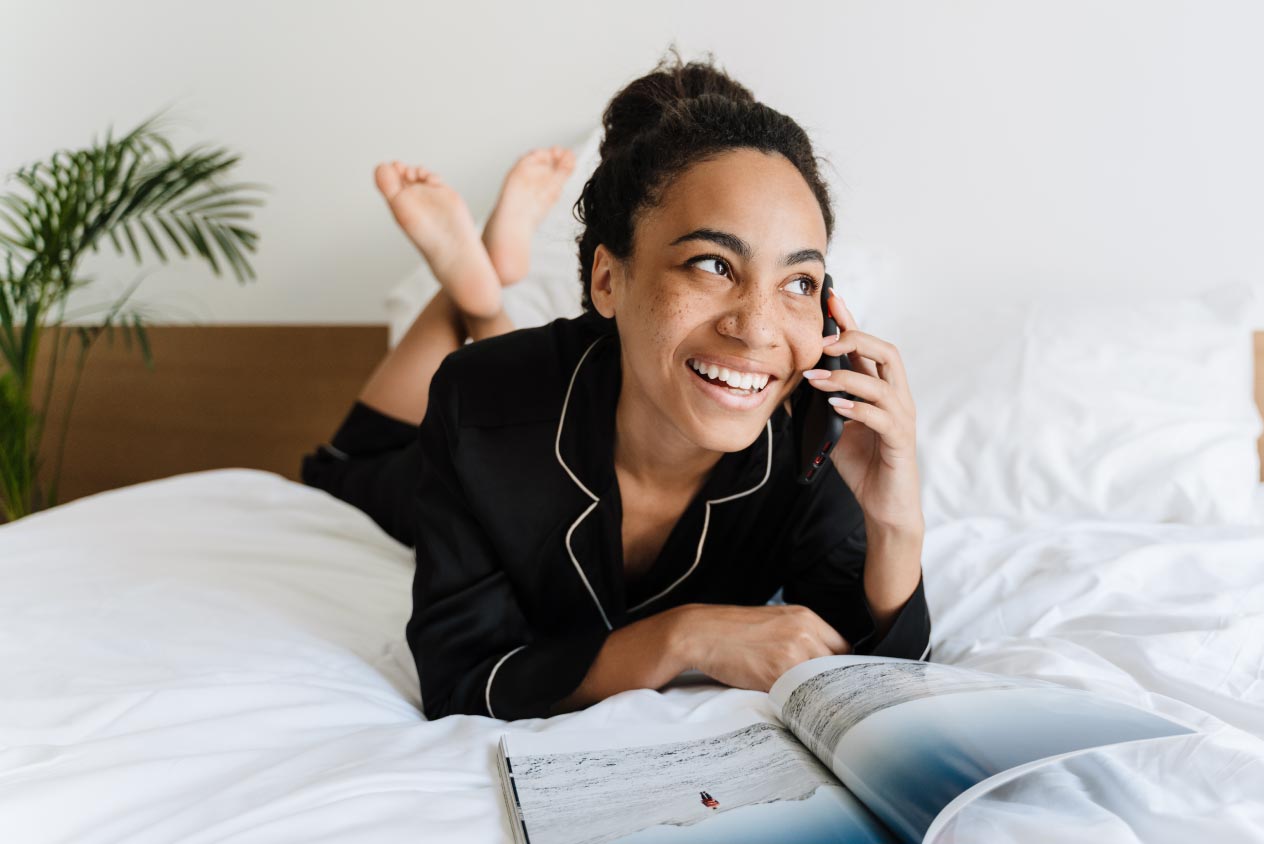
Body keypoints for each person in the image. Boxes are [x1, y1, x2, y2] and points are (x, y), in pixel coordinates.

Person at [300, 49, 930, 722]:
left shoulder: (818, 427)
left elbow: (869, 668)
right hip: (476, 433)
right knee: (342, 472)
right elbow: (463, 679)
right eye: (713, 265)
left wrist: (896, 522)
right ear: (607, 279)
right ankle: (478, 297)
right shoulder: (481, 406)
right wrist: (681, 636)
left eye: (799, 281)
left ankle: (483, 294)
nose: (757, 331)